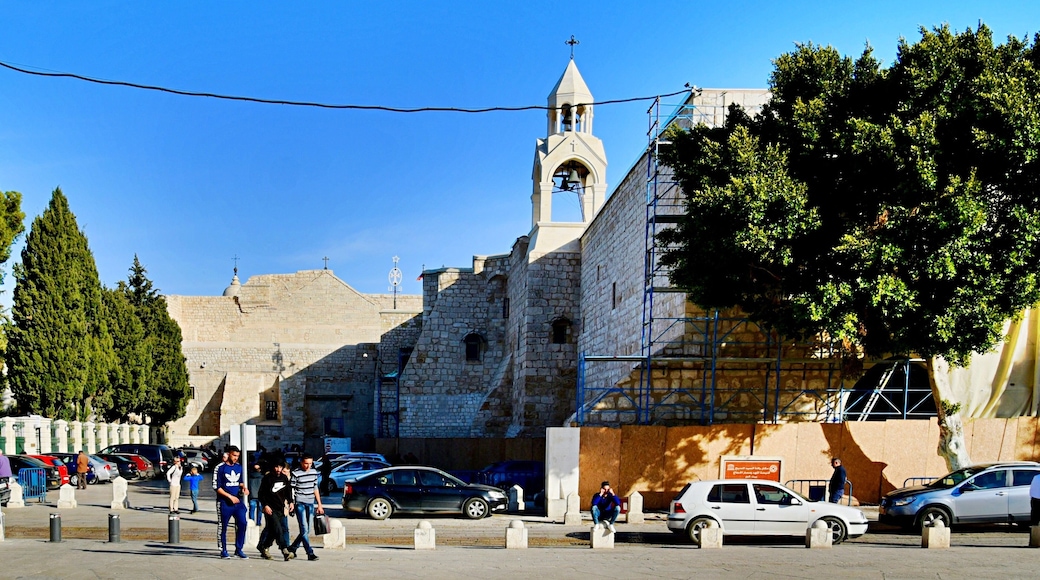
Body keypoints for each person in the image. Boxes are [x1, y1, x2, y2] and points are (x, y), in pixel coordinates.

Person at [214, 445, 249, 559]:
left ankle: (239, 549)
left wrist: (244, 487)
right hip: (224, 502)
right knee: (223, 526)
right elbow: (217, 487)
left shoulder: (239, 467)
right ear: (228, 454)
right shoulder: (220, 468)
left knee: (243, 523)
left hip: (237, 501)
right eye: (234, 455)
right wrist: (229, 496)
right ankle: (223, 550)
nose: (235, 458)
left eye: (237, 456)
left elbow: (239, 481)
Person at [288, 454, 324, 561]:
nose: (308, 466)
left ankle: (293, 548)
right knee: (304, 528)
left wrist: (320, 504)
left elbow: (315, 488)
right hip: (300, 503)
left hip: (310, 503)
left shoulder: (314, 472)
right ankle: (310, 552)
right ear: (301, 462)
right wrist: (291, 503)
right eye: (306, 463)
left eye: (310, 463)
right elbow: (292, 489)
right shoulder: (296, 473)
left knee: (307, 531)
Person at [257, 461, 295, 561]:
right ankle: (284, 550)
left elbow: (288, 491)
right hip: (270, 508)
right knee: (278, 528)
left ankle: (263, 546)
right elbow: (261, 494)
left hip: (280, 508)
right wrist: (265, 505)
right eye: (276, 467)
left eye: (280, 467)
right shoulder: (267, 478)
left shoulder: (284, 478)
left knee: (273, 530)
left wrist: (291, 502)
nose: (278, 469)